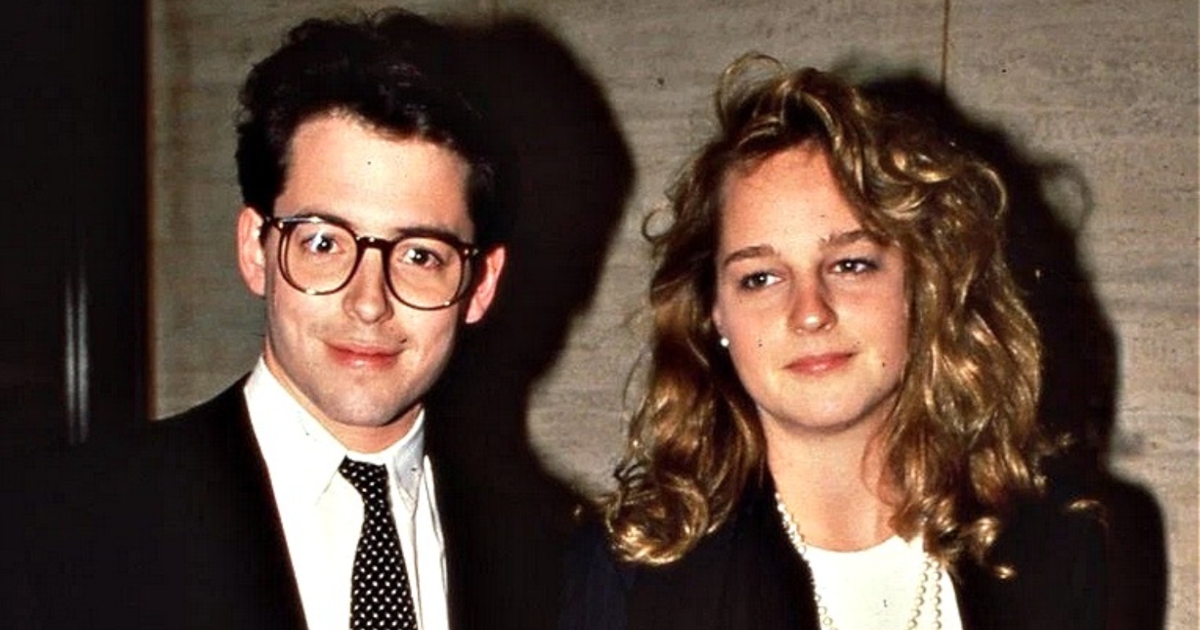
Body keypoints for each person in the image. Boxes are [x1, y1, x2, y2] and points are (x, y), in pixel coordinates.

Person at [2, 10, 562, 630]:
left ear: (480, 284)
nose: (369, 302)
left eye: (420, 255)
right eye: (323, 243)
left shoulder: (553, 557)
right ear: (256, 250)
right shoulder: (63, 531)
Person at [559, 56, 1105, 630]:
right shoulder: (629, 576)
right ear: (715, 312)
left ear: (923, 285)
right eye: (760, 277)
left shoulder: (1055, 546)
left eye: (849, 264)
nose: (810, 312)